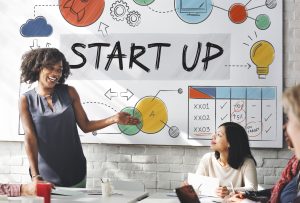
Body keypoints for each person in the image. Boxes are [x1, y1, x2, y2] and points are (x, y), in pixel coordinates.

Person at [19, 48, 139, 188]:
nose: (56, 73)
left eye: (59, 69)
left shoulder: (69, 92)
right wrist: (35, 176)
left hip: (75, 170)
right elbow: (30, 139)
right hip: (45, 174)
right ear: (38, 68)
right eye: (51, 68)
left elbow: (86, 126)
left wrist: (115, 118)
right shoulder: (26, 100)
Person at [229, 85, 300, 203]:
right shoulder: (295, 165)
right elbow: (277, 191)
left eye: (289, 119)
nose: (284, 127)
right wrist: (248, 195)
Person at [195, 122, 258, 198]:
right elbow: (197, 186)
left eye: (219, 135)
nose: (213, 136)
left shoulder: (247, 162)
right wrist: (189, 187)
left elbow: (253, 189)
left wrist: (229, 191)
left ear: (230, 143)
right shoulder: (207, 158)